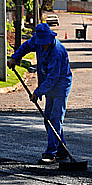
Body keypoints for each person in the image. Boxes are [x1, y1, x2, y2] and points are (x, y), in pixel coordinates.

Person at [7, 23, 72, 165]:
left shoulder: (57, 52)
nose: (43, 46)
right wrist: (14, 57)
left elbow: (53, 78)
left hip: (60, 86)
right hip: (48, 86)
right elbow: (25, 47)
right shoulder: (37, 40)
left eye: (45, 44)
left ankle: (51, 153)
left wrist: (37, 92)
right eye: (41, 44)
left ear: (50, 38)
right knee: (48, 118)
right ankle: (61, 148)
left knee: (54, 119)